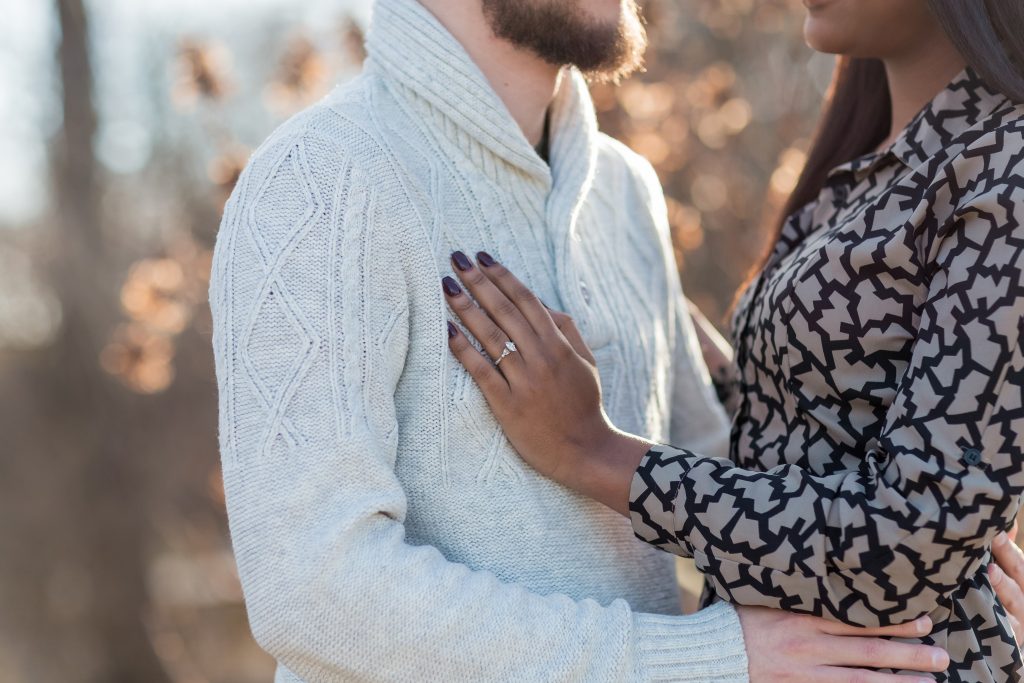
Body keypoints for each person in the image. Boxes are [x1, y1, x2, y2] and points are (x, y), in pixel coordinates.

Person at [208, 0, 957, 680]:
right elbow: (313, 591)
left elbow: (730, 478)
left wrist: (945, 563)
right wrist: (707, 659)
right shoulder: (323, 176)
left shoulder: (625, 190)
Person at [444, 0, 1024, 680]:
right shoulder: (876, 159)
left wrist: (596, 451)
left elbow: (906, 542)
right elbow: (822, 420)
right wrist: (652, 320)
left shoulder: (1006, 172)